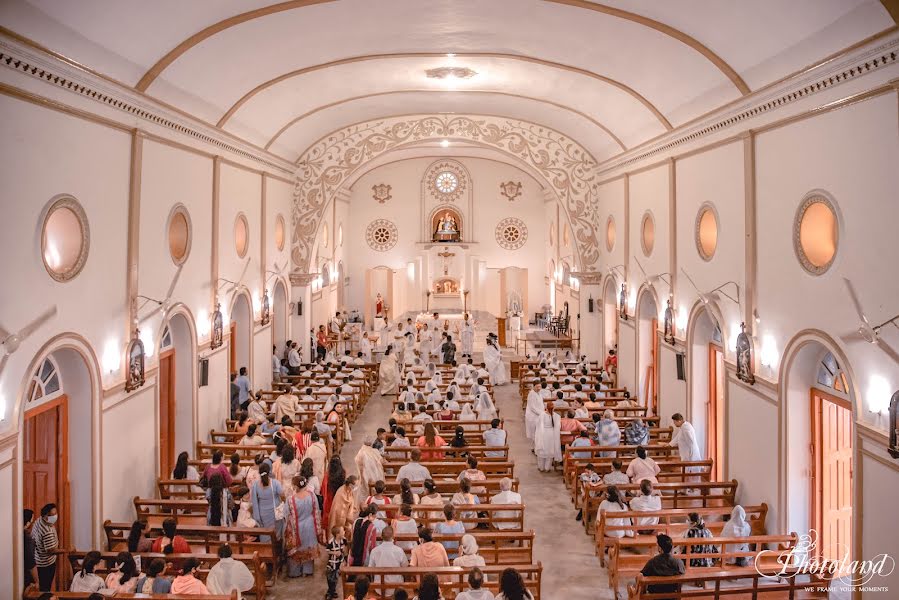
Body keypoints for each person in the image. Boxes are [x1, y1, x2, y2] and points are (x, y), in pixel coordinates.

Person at [282, 475, 321, 577]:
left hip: (297, 528)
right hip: (310, 526)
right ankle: (307, 571)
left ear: (295, 486)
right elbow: (316, 511)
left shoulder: (291, 500)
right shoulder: (312, 496)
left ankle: (295, 572)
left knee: (297, 550)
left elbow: (286, 514)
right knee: (308, 548)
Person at [251, 463, 285, 541]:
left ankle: (266, 549)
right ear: (269, 471)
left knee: (265, 534)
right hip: (275, 512)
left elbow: (254, 501)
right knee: (276, 534)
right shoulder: (275, 483)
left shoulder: (255, 485)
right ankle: (277, 550)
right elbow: (282, 495)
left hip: (262, 514)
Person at [32, 503, 59, 591]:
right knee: (45, 588)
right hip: (46, 564)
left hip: (38, 559)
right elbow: (51, 550)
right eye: (52, 515)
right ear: (45, 516)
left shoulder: (39, 520)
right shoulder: (47, 531)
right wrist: (66, 550)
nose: (55, 516)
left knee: (43, 587)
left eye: (56, 513)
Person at [355, 435, 387, 503]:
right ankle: (377, 500)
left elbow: (358, 462)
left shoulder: (360, 452)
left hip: (365, 476)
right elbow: (382, 461)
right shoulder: (375, 451)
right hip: (375, 475)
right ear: (371, 443)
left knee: (365, 492)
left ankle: (366, 505)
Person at [534, 402, 561, 472]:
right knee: (550, 450)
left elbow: (538, 424)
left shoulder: (542, 415)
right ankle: (547, 468)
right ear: (553, 408)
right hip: (552, 434)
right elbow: (558, 426)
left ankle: (541, 467)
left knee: (542, 450)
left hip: (543, 434)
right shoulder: (556, 416)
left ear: (546, 408)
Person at [324, 525, 347, 600]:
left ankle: (332, 591)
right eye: (342, 531)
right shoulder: (331, 542)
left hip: (338, 563)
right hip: (332, 563)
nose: (344, 532)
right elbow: (327, 550)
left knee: (335, 578)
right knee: (330, 578)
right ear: (337, 534)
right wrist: (334, 552)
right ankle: (330, 592)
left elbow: (345, 548)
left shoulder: (343, 540)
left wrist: (343, 559)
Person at [23, 509, 38, 590]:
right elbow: (31, 561)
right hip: (28, 576)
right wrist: (37, 581)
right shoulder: (27, 537)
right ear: (28, 522)